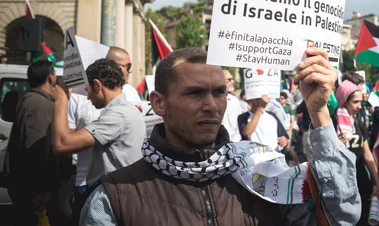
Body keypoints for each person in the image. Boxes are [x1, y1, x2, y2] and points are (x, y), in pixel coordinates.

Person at [80, 47, 360, 225]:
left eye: (218, 92)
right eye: (194, 93)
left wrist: (319, 112)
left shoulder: (262, 173)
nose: (212, 106)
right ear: (159, 103)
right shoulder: (114, 197)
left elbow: (342, 218)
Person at [50, 59, 146, 205]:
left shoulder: (118, 115)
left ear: (97, 85)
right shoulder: (123, 111)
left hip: (114, 199)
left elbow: (61, 145)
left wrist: (61, 100)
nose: (87, 97)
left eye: (87, 90)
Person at [6, 61, 65, 225]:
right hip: (32, 190)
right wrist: (43, 189)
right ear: (50, 77)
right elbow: (37, 148)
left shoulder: (34, 100)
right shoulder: (39, 105)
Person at [335, 80, 379, 225]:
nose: (359, 106)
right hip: (341, 183)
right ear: (344, 101)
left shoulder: (358, 122)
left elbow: (367, 153)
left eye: (361, 102)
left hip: (361, 179)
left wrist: (378, 183)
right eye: (355, 102)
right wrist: (336, 143)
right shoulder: (332, 122)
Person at [67, 91, 101, 224]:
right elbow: (63, 144)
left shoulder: (129, 93)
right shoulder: (76, 97)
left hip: (116, 183)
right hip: (85, 182)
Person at [221, 69, 247, 142]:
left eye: (232, 79)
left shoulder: (235, 100)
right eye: (229, 79)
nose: (232, 81)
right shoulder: (213, 100)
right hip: (217, 144)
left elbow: (239, 122)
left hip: (235, 142)